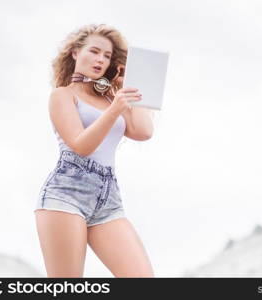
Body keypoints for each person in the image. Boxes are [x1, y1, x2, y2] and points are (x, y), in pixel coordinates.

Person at [33, 23, 155, 278]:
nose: (100, 60)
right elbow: (80, 144)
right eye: (94, 51)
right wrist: (115, 109)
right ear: (76, 52)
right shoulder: (62, 95)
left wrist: (129, 87)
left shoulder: (111, 99)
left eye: (107, 56)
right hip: (66, 194)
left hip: (108, 200)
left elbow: (144, 131)